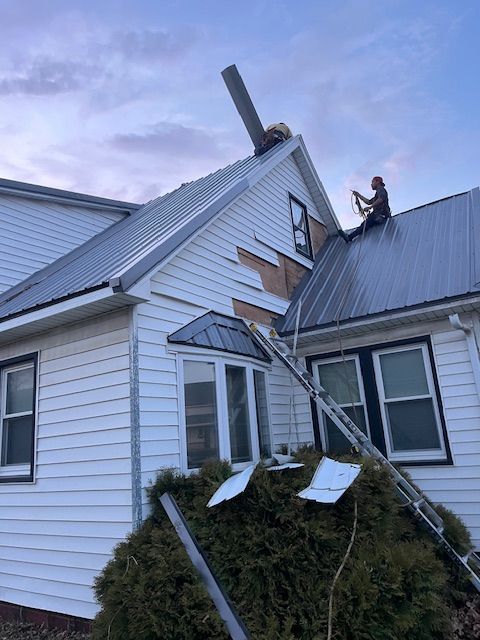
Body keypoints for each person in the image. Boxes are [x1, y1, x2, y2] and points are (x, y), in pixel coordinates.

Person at [339, 176, 391, 242]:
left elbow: (381, 199)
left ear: (378, 182)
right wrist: (358, 195)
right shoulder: (377, 194)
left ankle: (349, 237)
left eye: (372, 182)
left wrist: (370, 207)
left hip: (381, 215)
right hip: (378, 215)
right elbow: (369, 202)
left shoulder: (381, 189)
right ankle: (349, 237)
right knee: (365, 224)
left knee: (364, 225)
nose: (371, 184)